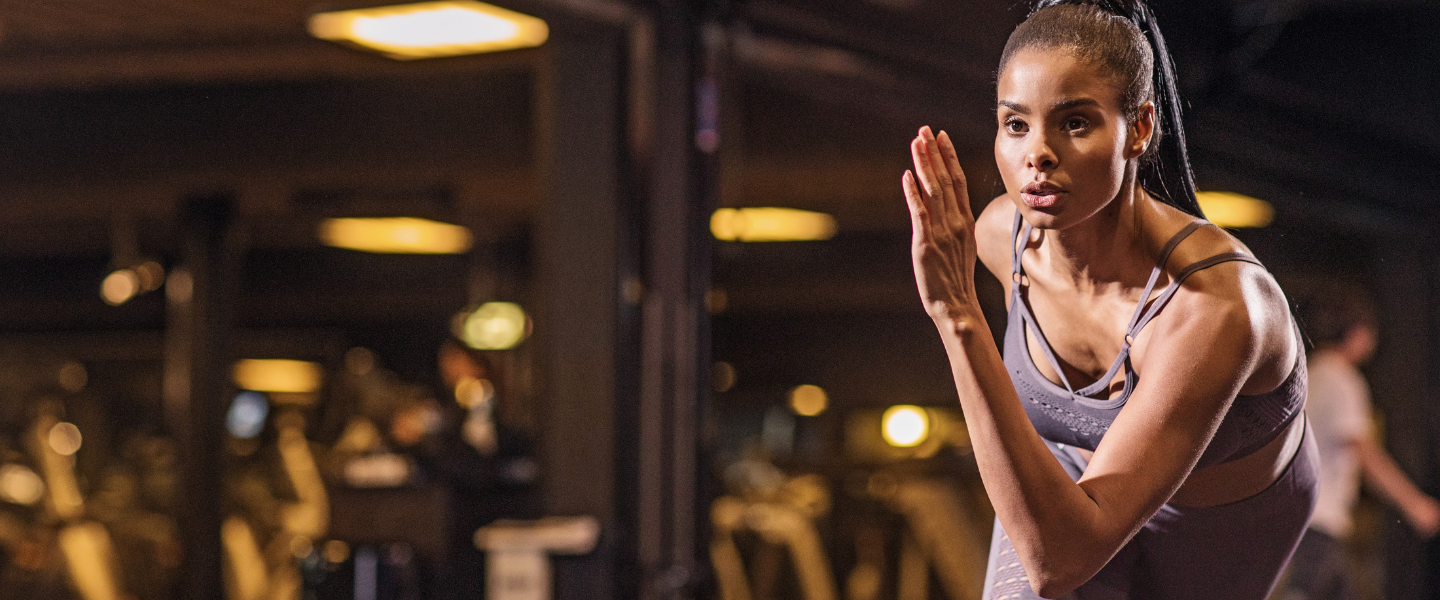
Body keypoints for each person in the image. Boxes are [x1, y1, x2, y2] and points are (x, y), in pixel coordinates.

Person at [900, 1, 1316, 598]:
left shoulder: (1215, 306)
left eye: (1073, 123)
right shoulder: (999, 237)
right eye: (1016, 124)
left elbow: (1059, 563)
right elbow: (1054, 562)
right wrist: (956, 315)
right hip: (1074, 484)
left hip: (1215, 527)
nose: (1036, 154)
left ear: (1139, 128)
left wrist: (957, 315)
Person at [1280, 292, 1440, 600]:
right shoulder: (1343, 380)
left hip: (1303, 516)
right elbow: (1365, 453)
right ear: (1357, 334)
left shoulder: (1312, 373)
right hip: (1320, 518)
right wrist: (1414, 504)